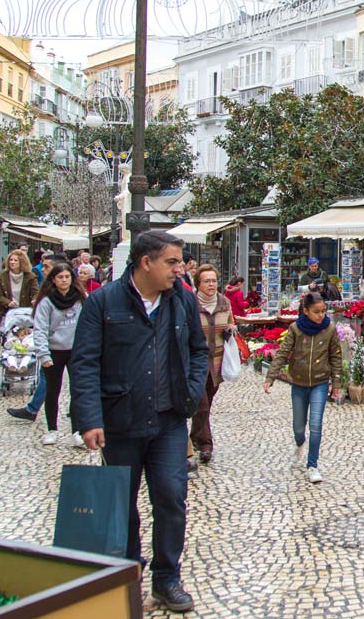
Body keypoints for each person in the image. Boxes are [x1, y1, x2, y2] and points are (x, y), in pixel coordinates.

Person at [69, 230, 208, 614]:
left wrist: (192, 391)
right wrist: (89, 419)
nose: (179, 270)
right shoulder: (102, 302)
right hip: (121, 422)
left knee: (171, 497)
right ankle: (127, 576)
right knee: (121, 504)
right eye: (172, 262)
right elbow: (84, 363)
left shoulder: (180, 299)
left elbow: (198, 350)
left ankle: (167, 579)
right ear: (145, 262)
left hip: (167, 422)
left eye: (180, 262)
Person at [263, 292, 343, 484]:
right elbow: (283, 353)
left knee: (316, 425)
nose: (321, 315)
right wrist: (270, 377)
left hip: (320, 383)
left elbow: (336, 357)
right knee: (299, 426)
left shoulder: (330, 330)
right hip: (298, 383)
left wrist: (337, 383)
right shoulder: (295, 329)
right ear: (305, 311)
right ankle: (299, 443)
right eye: (317, 312)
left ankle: (312, 465)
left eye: (324, 311)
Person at [31, 261, 88, 447]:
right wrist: (43, 354)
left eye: (67, 277)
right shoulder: (46, 302)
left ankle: (77, 430)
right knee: (52, 391)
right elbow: (40, 328)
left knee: (77, 391)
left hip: (76, 351)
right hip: (54, 351)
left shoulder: (80, 298)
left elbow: (88, 324)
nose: (64, 280)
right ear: (53, 280)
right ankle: (52, 429)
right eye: (60, 277)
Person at [190, 265, 235, 464]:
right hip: (195, 363)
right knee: (202, 404)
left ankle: (194, 438)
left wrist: (231, 329)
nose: (211, 284)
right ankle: (206, 444)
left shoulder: (224, 302)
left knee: (206, 403)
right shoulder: (189, 303)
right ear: (198, 284)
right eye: (207, 281)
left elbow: (231, 322)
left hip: (216, 362)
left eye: (214, 281)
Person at [0, 249, 41, 317]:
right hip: (6, 313)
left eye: (15, 260)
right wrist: (8, 303)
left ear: (22, 262)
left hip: (25, 312)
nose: (12, 262)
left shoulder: (31, 277)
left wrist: (34, 300)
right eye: (10, 260)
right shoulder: (2, 276)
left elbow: (36, 292)